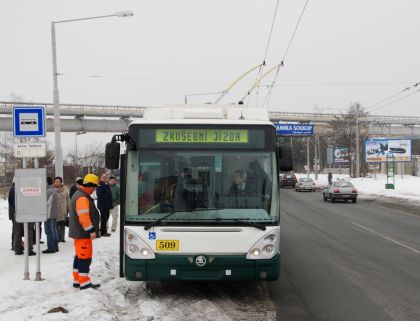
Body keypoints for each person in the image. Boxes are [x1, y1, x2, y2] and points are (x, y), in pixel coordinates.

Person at [69, 174, 101, 290]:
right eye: (94, 187)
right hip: (83, 234)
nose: (94, 189)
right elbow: (84, 217)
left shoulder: (80, 195)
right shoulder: (82, 197)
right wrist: (91, 230)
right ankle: (84, 283)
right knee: (84, 257)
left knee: (79, 256)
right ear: (90, 185)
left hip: (78, 233)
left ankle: (77, 280)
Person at [10, 179, 36, 256]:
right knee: (29, 232)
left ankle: (17, 249)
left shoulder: (12, 190)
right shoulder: (29, 189)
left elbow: (10, 202)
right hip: (28, 213)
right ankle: (29, 250)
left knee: (17, 232)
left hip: (17, 213)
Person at [43, 177, 59, 254]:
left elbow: (46, 203)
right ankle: (55, 247)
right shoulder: (54, 190)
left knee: (49, 231)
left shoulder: (48, 191)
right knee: (54, 231)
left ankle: (51, 248)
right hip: (54, 213)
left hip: (49, 214)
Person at [54, 176, 70, 242]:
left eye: (58, 181)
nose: (57, 182)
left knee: (62, 225)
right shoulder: (52, 189)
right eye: (56, 181)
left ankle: (62, 238)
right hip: (55, 210)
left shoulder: (65, 189)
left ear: (61, 182)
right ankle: (57, 238)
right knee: (56, 225)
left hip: (63, 209)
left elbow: (68, 199)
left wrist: (69, 208)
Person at [8, 180, 15, 251]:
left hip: (13, 213)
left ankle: (14, 243)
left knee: (15, 229)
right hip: (14, 213)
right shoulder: (13, 190)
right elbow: (13, 202)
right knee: (16, 230)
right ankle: (14, 244)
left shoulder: (12, 189)